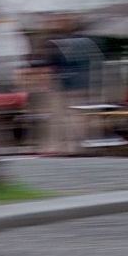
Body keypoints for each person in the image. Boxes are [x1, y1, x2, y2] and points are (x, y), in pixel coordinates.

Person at [37, 19, 102, 156]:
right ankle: (65, 145)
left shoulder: (65, 42)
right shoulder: (80, 40)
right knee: (64, 117)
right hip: (70, 83)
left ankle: (67, 145)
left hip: (69, 84)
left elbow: (53, 65)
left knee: (66, 117)